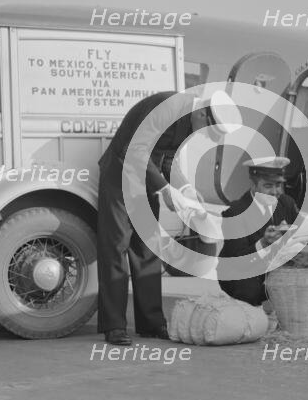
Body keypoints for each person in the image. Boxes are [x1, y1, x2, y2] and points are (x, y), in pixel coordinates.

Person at [97, 90, 241, 345]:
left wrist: (184, 190)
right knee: (116, 246)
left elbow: (168, 158)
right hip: (120, 174)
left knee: (148, 247)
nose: (203, 137)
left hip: (145, 176)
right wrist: (164, 189)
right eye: (207, 131)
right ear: (201, 114)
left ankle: (151, 323)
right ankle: (114, 326)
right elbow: (135, 149)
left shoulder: (192, 120)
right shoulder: (168, 107)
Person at [217, 156, 299, 306]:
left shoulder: (286, 203)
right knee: (251, 291)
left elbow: (303, 234)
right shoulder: (235, 213)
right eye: (268, 186)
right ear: (253, 186)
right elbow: (236, 259)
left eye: (279, 185)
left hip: (276, 266)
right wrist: (263, 242)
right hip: (241, 271)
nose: (275, 191)